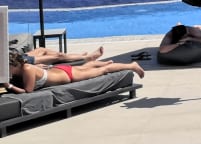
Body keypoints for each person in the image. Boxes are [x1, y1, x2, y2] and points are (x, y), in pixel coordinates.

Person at [6, 51, 144, 94]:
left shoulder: (27, 69)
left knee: (104, 70)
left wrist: (9, 86)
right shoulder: (23, 67)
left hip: (68, 76)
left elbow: (28, 91)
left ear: (13, 65)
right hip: (61, 71)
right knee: (87, 67)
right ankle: (102, 62)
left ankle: (131, 66)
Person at [21, 45, 109, 66]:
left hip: (20, 56)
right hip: (22, 61)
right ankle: (87, 58)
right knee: (59, 56)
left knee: (41, 49)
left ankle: (73, 56)